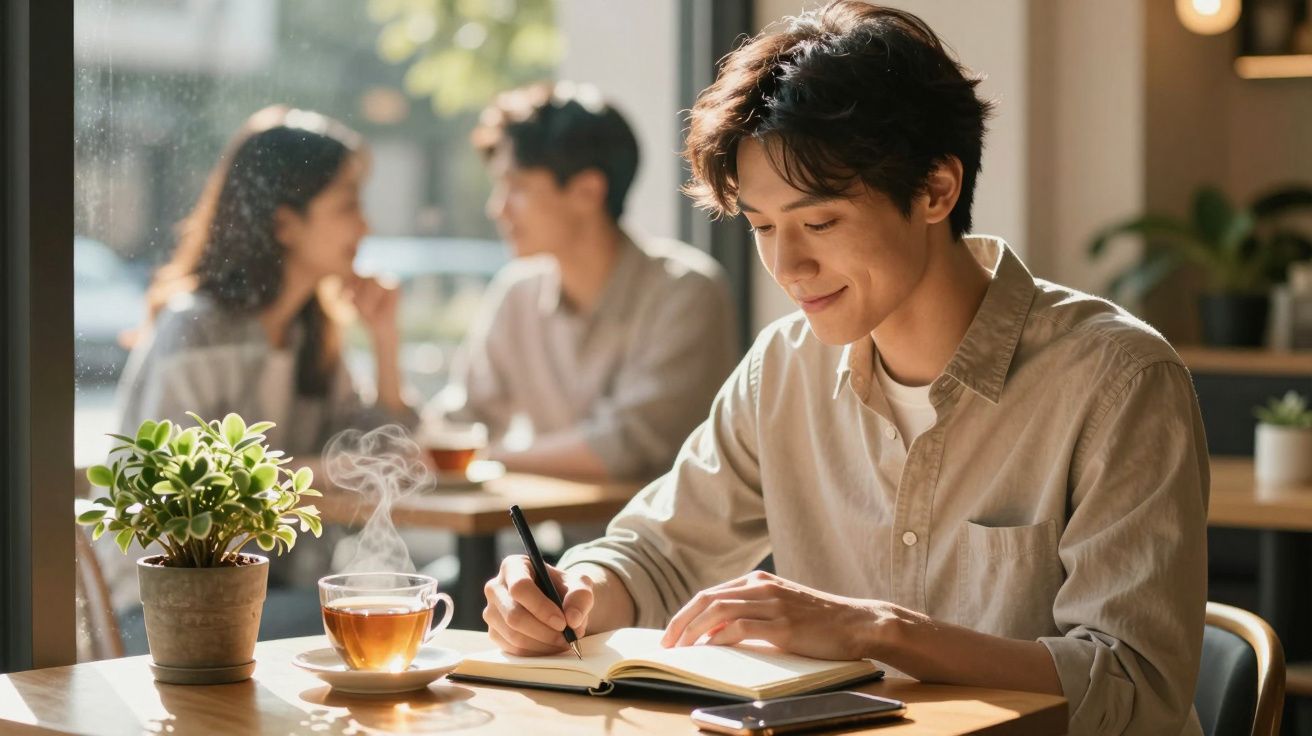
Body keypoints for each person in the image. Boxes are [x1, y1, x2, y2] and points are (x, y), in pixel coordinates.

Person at [479, 4, 1209, 735]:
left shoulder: (1118, 380)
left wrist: (878, 631)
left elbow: (1133, 691)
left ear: (935, 190)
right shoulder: (783, 369)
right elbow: (658, 552)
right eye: (763, 228)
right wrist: (572, 590)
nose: (787, 267)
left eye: (819, 223)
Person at [105, 105, 418, 610]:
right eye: (347, 205)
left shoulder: (309, 332)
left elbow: (382, 452)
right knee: (393, 618)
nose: (365, 225)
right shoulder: (195, 328)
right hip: (174, 605)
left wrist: (385, 340)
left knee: (419, 604)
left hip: (275, 591)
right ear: (285, 224)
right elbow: (178, 491)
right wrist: (320, 471)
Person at [433, 82, 739, 482]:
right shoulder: (518, 293)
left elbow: (624, 449)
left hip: (665, 544)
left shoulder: (686, 291)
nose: (497, 208)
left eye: (517, 187)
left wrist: (483, 456)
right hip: (555, 540)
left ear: (587, 191)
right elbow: (459, 419)